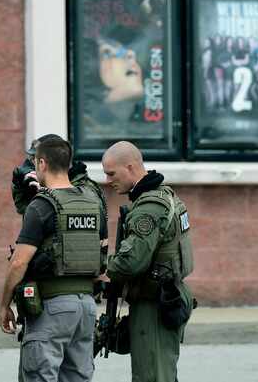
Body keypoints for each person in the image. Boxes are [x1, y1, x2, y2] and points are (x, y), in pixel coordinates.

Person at [0, 134, 106, 382]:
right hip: (86, 308)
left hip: (52, 307)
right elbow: (102, 253)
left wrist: (5, 305)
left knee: (40, 376)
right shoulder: (93, 202)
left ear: (42, 164)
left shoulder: (42, 205)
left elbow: (19, 262)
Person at [103, 141, 195, 382]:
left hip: (154, 303)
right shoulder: (165, 195)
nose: (108, 180)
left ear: (130, 167)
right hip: (166, 296)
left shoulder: (149, 208)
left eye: (111, 173)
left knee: (152, 376)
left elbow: (132, 262)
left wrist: (102, 266)